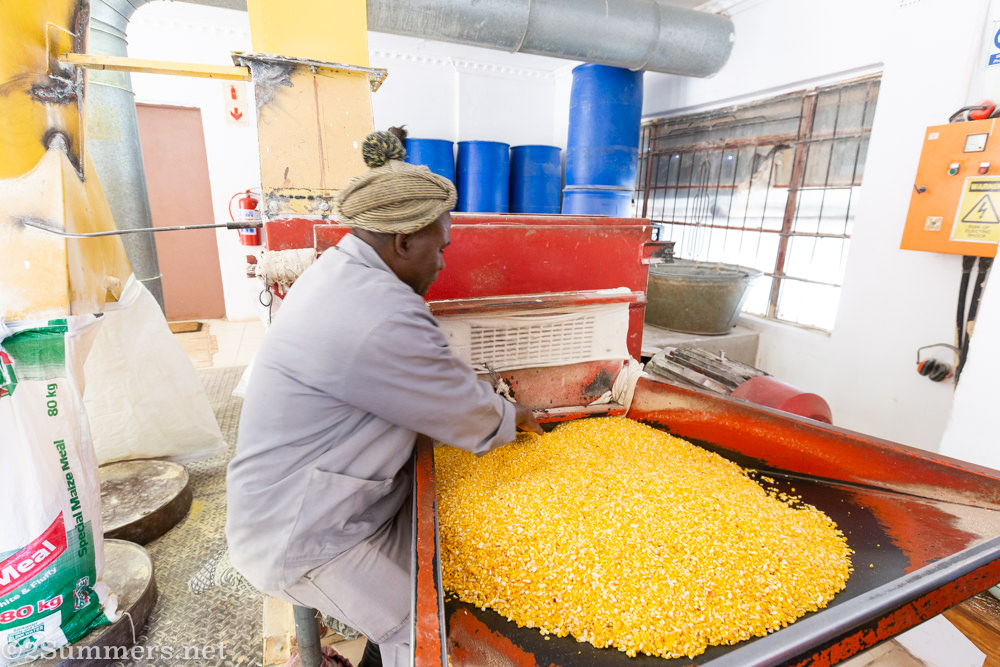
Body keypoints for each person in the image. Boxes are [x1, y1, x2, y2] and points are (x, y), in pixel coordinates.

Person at [226, 131, 542, 667]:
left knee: (439, 561)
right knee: (418, 627)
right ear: (403, 243)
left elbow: (422, 380)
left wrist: (476, 394)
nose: (442, 262)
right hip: (302, 535)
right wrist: (519, 419)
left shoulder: (341, 271)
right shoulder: (377, 310)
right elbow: (469, 417)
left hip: (321, 498)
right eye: (439, 247)